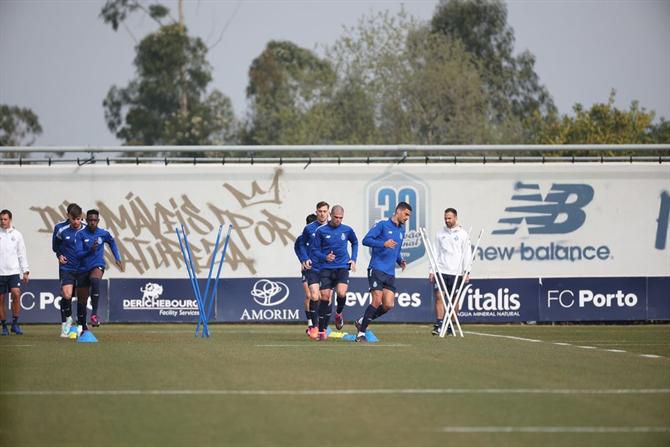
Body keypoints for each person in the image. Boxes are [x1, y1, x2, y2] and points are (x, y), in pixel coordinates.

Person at [354, 202, 412, 342]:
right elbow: (366, 240)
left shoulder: (402, 230)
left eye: (409, 216)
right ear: (398, 211)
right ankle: (361, 333)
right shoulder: (382, 225)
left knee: (388, 305)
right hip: (377, 268)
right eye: (406, 214)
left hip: (390, 272)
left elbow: (396, 249)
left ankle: (362, 321)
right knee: (376, 300)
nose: (407, 218)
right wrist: (383, 243)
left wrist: (400, 260)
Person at [312, 205, 358, 340]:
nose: (338, 220)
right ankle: (321, 331)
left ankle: (338, 314)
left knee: (342, 293)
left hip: (342, 266)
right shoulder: (321, 231)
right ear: (330, 215)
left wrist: (353, 259)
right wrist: (324, 257)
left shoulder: (347, 230)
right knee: (325, 297)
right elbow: (314, 250)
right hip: (326, 267)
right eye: (336, 217)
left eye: (341, 218)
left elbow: (355, 242)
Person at [429, 208, 472, 336]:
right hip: (441, 270)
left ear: (455, 218)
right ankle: (439, 324)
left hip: (457, 272)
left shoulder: (463, 234)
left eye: (449, 218)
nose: (447, 220)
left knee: (454, 301)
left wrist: (467, 271)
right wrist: (432, 270)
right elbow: (435, 252)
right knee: (439, 297)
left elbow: (467, 254)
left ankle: (449, 325)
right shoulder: (440, 233)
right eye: (445, 218)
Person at [78, 209, 123, 327]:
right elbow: (78, 253)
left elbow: (112, 243)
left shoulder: (103, 233)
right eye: (90, 220)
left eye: (95, 220)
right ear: (86, 220)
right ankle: (82, 323)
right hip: (83, 268)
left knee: (95, 279)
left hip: (97, 264)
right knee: (82, 300)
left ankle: (94, 315)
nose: (92, 222)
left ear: (98, 221)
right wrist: (90, 250)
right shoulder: (80, 234)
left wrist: (117, 258)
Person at [53, 204, 88, 337]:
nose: (76, 222)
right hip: (67, 268)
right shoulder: (60, 228)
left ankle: (81, 326)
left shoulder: (86, 228)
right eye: (74, 219)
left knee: (82, 298)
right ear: (68, 216)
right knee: (67, 295)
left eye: (78, 219)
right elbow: (55, 246)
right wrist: (59, 255)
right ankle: (67, 321)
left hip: (82, 269)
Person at [297, 201, 330, 340]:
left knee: (327, 299)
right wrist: (303, 260)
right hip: (312, 268)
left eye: (324, 211)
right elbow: (299, 245)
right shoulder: (309, 229)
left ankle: (323, 329)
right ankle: (313, 325)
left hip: (328, 268)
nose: (322, 214)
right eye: (320, 211)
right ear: (316, 212)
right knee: (312, 296)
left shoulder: (334, 228)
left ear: (328, 212)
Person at [0, 210, 30, 336]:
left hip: (13, 271)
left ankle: (15, 323)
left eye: (5, 219)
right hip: (0, 272)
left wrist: (26, 271)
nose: (3, 221)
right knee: (1, 299)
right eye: (1, 219)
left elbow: (21, 253)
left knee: (16, 293)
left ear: (10, 219)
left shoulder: (17, 235)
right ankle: (4, 326)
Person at [294, 213, 317, 334]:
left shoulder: (320, 235)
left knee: (319, 297)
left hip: (319, 269)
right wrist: (302, 261)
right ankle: (310, 323)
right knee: (309, 296)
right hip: (307, 270)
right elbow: (297, 248)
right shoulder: (302, 238)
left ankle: (318, 322)